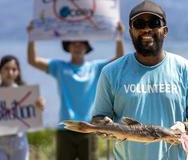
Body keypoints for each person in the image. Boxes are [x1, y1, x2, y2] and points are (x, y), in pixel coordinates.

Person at [92, 0, 188, 160]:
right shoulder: (111, 72)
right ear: (131, 31)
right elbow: (99, 118)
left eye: (154, 23)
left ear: (165, 30)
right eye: (139, 24)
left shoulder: (187, 70)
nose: (147, 29)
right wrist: (104, 126)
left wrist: (184, 126)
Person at [27, 22, 125, 160]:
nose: (77, 46)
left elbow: (119, 59)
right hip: (66, 128)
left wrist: (119, 36)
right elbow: (33, 61)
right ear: (68, 46)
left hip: (89, 128)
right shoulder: (59, 67)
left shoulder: (95, 67)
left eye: (81, 43)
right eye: (74, 43)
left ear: (86, 47)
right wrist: (32, 36)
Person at [0, 55, 45, 160]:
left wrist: (40, 105)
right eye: (6, 68)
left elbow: (36, 113)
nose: (10, 72)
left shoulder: (26, 91)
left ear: (18, 72)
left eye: (14, 69)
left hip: (19, 142)